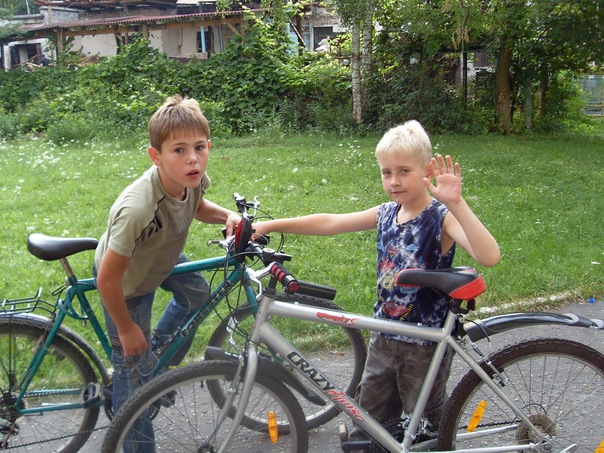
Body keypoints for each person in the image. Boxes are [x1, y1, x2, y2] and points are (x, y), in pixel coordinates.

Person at [253, 120, 500, 445]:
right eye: (386, 172)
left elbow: (489, 255)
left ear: (427, 171)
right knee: (369, 422)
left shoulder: (441, 218)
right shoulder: (385, 213)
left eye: (404, 171)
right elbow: (331, 222)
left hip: (424, 343)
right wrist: (271, 225)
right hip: (384, 334)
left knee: (429, 426)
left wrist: (457, 203)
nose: (394, 181)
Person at [94, 94, 240, 452]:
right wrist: (127, 329)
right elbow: (107, 279)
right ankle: (136, 432)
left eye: (199, 147)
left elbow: (198, 206)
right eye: (179, 150)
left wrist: (228, 216)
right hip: (129, 283)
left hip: (161, 256)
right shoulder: (138, 207)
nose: (193, 158)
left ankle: (155, 359)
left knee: (197, 293)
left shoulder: (189, 179)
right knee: (133, 372)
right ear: (155, 156)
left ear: (209, 146)